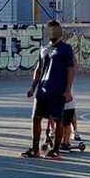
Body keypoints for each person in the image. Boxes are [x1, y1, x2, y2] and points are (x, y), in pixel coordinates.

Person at [23, 20, 75, 159]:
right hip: (42, 90)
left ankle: (55, 150)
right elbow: (38, 69)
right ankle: (35, 149)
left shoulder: (66, 49)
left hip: (58, 90)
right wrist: (33, 87)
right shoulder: (43, 49)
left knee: (58, 120)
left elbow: (70, 69)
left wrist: (68, 90)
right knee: (36, 118)